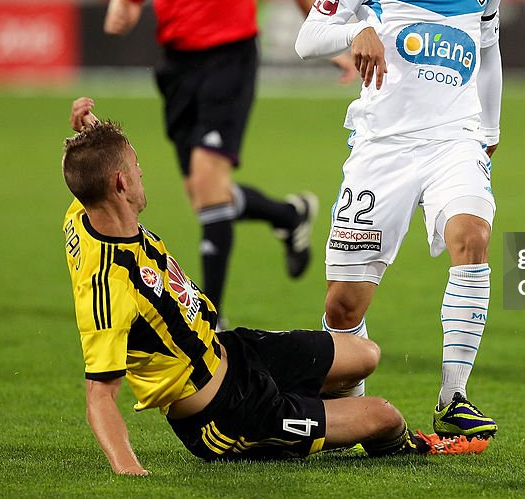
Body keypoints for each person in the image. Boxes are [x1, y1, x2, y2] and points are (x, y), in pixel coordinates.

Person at [62, 98, 485, 474]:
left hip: (234, 350)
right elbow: (100, 396)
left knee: (367, 355)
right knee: (386, 417)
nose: (141, 171)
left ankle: (322, 415)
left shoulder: (86, 213)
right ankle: (382, 441)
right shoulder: (109, 287)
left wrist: (92, 132)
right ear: (120, 184)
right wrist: (129, 470)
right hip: (227, 413)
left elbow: (91, 174)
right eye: (134, 166)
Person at [104, 0, 354, 324]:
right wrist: (122, 13)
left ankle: (209, 320)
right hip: (176, 69)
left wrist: (333, 41)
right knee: (204, 195)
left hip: (231, 61)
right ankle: (289, 216)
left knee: (209, 179)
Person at [295, 0, 502, 440]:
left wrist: (487, 132)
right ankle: (352, 408)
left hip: (454, 140)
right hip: (382, 147)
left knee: (473, 237)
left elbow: (489, 56)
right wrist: (360, 26)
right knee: (343, 306)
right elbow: (310, 35)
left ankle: (454, 396)